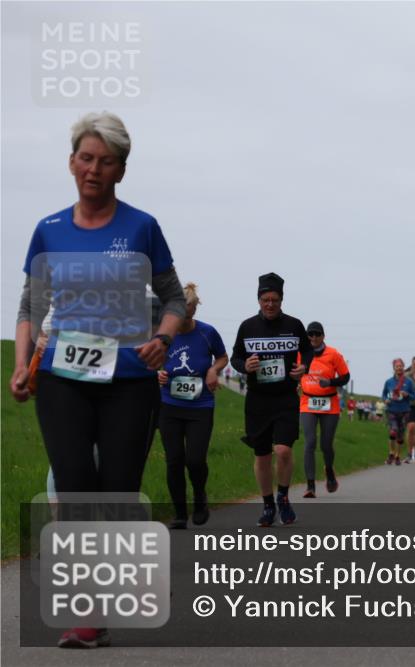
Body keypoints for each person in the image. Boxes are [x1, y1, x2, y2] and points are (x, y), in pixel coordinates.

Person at [8, 112, 185, 648]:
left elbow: (173, 299)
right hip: (63, 377)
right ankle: (87, 613)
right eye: (86, 158)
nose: (94, 169)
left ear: (121, 170)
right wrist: (21, 364)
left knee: (117, 494)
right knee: (75, 488)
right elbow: (30, 306)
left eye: (106, 161)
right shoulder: (50, 229)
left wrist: (164, 338)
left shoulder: (142, 227)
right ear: (71, 163)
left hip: (129, 380)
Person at [230, 273, 311, 527]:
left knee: (283, 450)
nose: (270, 304)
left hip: (285, 397)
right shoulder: (247, 327)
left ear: (281, 300)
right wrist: (245, 366)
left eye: (275, 300)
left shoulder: (294, 325)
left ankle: (283, 497)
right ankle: (268, 505)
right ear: (259, 300)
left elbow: (308, 351)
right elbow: (235, 357)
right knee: (262, 455)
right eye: (265, 300)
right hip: (258, 399)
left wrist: (304, 367)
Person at [157, 283, 228, 529]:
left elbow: (222, 357)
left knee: (195, 460)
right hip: (169, 404)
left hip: (200, 406)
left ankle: (200, 497)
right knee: (174, 460)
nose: (182, 322)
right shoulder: (162, 332)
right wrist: (157, 372)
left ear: (194, 310)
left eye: (187, 316)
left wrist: (213, 370)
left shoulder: (207, 332)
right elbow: (148, 357)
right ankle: (179, 513)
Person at [298, 321, 350, 497]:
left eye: (317, 334)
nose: (313, 337)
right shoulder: (300, 354)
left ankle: (329, 470)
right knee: (310, 442)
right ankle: (310, 486)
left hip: (329, 403)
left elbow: (345, 377)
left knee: (326, 445)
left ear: (323, 336)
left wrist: (330, 382)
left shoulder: (333, 354)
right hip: (307, 402)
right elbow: (293, 371)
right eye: (310, 334)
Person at [380, 358, 415, 465]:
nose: (399, 368)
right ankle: (391, 452)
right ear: (394, 368)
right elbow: (384, 394)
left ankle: (397, 456)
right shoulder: (389, 382)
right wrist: (385, 400)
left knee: (400, 434)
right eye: (397, 366)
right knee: (393, 431)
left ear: (403, 367)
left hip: (404, 411)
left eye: (401, 366)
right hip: (392, 410)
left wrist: (407, 394)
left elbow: (414, 396)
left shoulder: (408, 382)